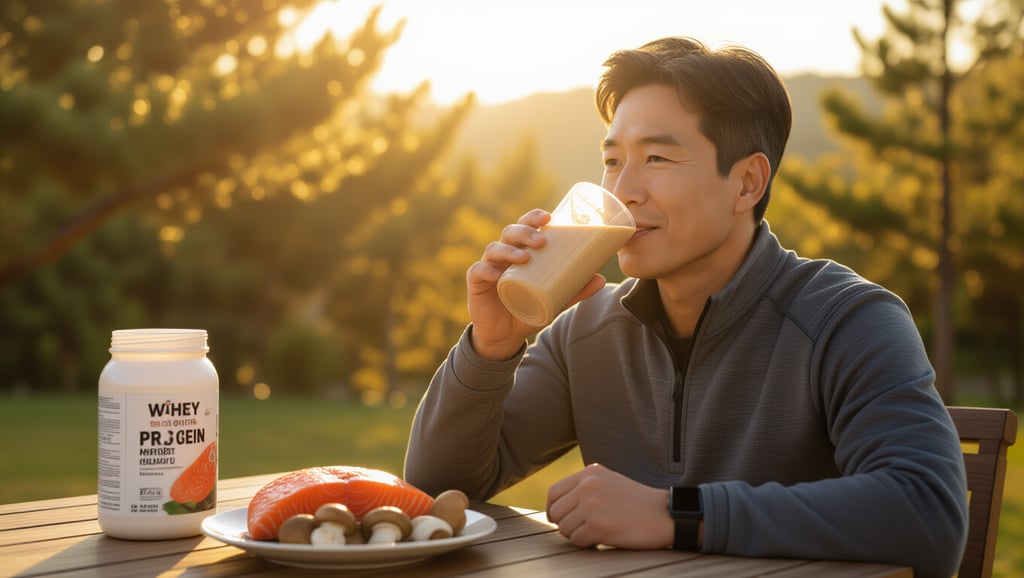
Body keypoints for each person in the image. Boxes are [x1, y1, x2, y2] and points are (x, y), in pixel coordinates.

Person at [404, 36, 967, 577]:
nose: (624, 189)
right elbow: (436, 493)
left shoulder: (848, 320)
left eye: (656, 159)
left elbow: (928, 515)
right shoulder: (586, 332)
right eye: (612, 159)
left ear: (747, 183)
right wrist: (492, 346)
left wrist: (677, 514)